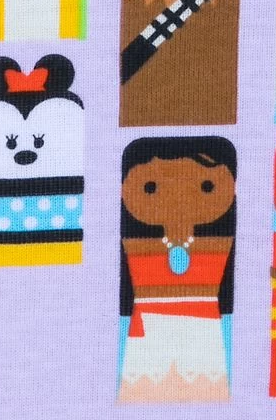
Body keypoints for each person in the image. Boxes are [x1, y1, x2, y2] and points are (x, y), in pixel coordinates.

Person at [118, 137, 236, 403]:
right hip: (148, 338)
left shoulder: (220, 244)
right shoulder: (134, 246)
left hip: (204, 334)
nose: (178, 197)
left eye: (206, 186)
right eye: (151, 188)